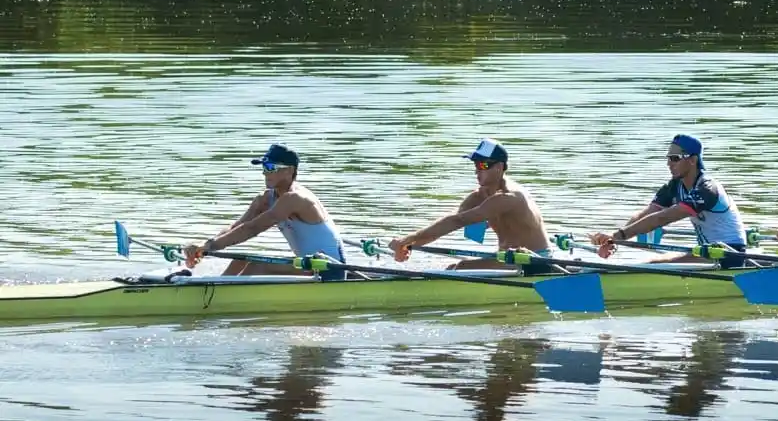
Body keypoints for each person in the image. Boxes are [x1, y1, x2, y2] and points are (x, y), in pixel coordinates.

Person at [387, 138, 554, 274]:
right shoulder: (478, 196)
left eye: (483, 165)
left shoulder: (509, 197)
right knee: (453, 268)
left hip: (536, 262)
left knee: (460, 268)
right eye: (475, 164)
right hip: (509, 260)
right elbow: (447, 224)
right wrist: (409, 246)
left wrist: (406, 239)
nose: (477, 170)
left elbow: (458, 221)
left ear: (500, 167)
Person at [182, 144, 348, 278]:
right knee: (240, 260)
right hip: (308, 265)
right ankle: (214, 290)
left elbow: (252, 229)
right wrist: (204, 246)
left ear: (289, 170)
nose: (264, 173)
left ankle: (223, 300)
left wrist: (208, 247)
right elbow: (237, 227)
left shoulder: (296, 199)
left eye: (270, 167)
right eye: (263, 167)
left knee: (257, 265)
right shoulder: (265, 199)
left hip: (330, 269)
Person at [588, 134, 749, 267]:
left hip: (730, 254)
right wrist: (615, 240)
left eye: (675, 158)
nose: (668, 164)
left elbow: (662, 218)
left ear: (692, 160)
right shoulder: (675, 186)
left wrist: (618, 235)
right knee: (651, 262)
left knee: (653, 264)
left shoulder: (707, 190)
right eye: (668, 158)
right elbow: (647, 214)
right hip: (707, 252)